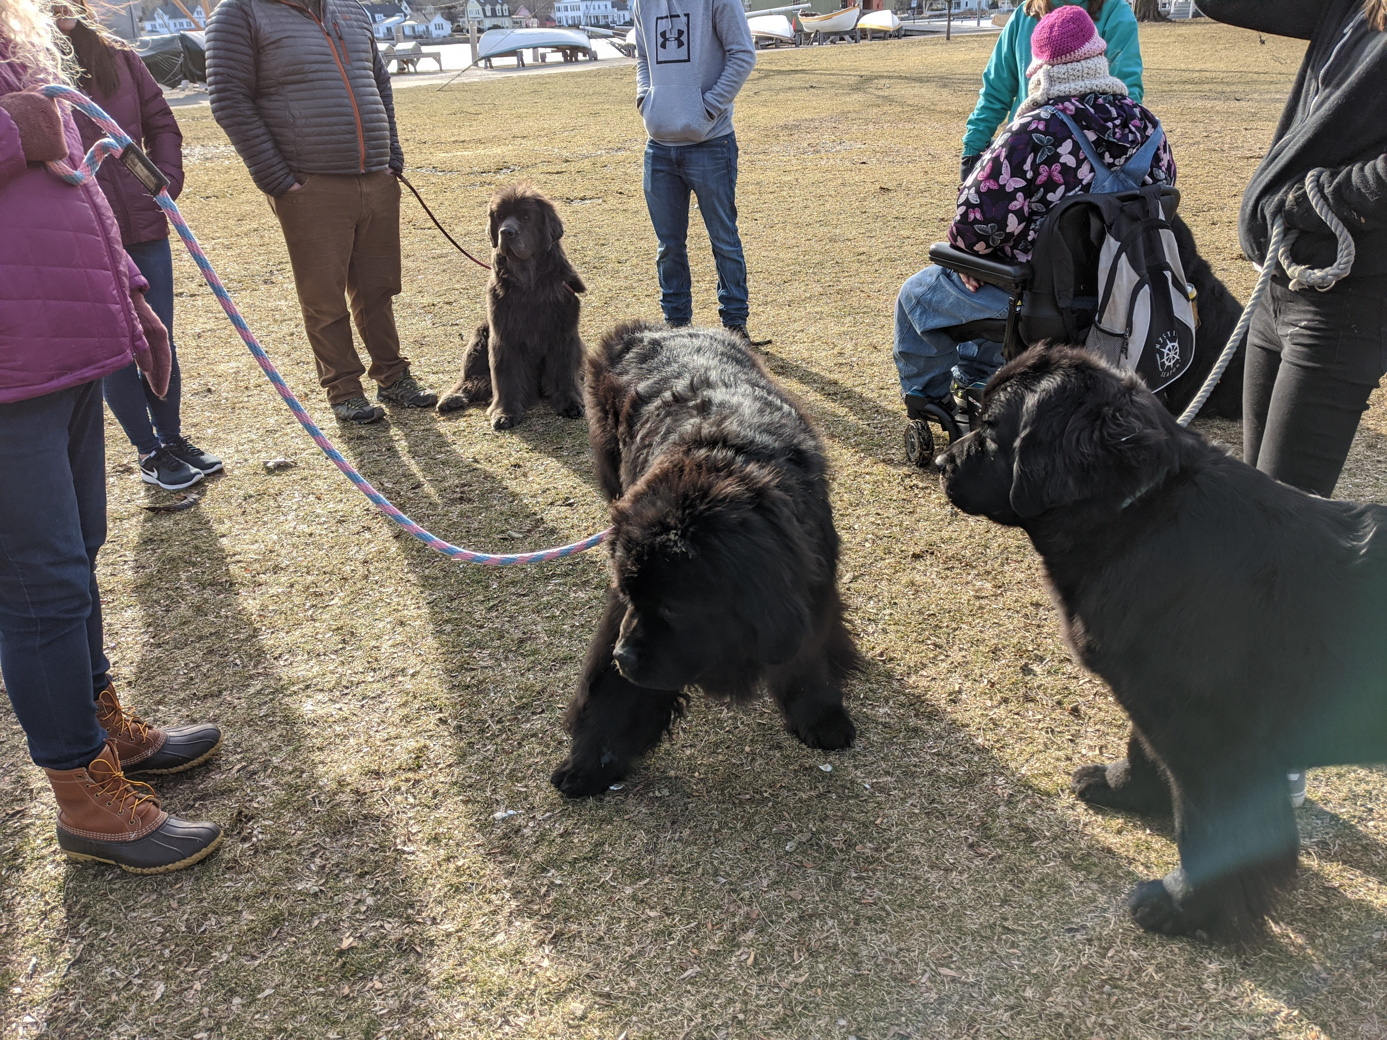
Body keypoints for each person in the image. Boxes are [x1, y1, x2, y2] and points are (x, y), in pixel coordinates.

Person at [1, 0, 223, 872]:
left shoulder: (16, 47)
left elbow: (75, 178)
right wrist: (20, 129)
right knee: (39, 587)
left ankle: (101, 731)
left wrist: (126, 285)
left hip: (59, 344)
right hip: (12, 365)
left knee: (75, 554)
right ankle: (83, 797)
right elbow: (38, 144)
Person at [1197, 0, 1387, 809]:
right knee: (1254, 520)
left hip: (1345, 300)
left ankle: (1278, 751)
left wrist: (1322, 197)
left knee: (1287, 539)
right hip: (1284, 283)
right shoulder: (1349, 5)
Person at [893, 4, 1175, 416]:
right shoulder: (1148, 127)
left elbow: (974, 222)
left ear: (1040, 69)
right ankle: (983, 376)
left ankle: (930, 401)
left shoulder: (1033, 131)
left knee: (917, 296)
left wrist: (970, 254)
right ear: (1100, 57)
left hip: (1038, 298)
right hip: (1126, 294)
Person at [205, 0, 437, 424]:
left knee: (379, 288)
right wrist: (278, 178)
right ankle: (344, 390)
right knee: (324, 297)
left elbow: (379, 83)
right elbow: (228, 98)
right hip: (309, 183)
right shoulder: (239, 11)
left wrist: (392, 157)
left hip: (376, 177)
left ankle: (393, 376)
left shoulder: (352, 9)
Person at [54, 1, 221, 491]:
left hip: (144, 224)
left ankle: (171, 438)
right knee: (116, 342)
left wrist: (163, 181)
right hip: (83, 229)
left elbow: (161, 121)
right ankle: (148, 452)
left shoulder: (118, 55)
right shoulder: (26, 63)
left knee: (157, 333)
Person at [633, 0, 758, 342]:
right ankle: (676, 329)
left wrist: (708, 108)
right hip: (659, 147)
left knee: (724, 239)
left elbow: (743, 55)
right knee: (668, 246)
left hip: (711, 144)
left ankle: (734, 328)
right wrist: (645, 99)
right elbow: (643, 57)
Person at [961, 0, 1143, 183]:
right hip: (1029, 154)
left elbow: (1126, 92)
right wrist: (972, 148)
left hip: (1095, 162)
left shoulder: (1114, 10)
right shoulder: (1025, 14)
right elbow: (996, 89)